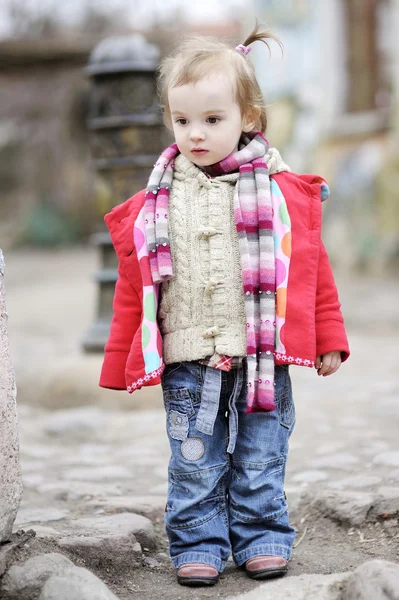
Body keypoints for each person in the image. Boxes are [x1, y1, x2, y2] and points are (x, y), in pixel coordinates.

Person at [99, 23, 350, 588]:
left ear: (248, 119)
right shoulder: (157, 201)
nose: (196, 133)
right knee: (194, 460)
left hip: (264, 354)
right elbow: (135, 284)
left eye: (213, 120)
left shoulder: (281, 191)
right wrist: (122, 357)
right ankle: (199, 541)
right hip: (190, 356)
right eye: (182, 121)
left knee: (262, 453)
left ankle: (261, 535)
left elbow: (311, 268)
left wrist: (329, 336)